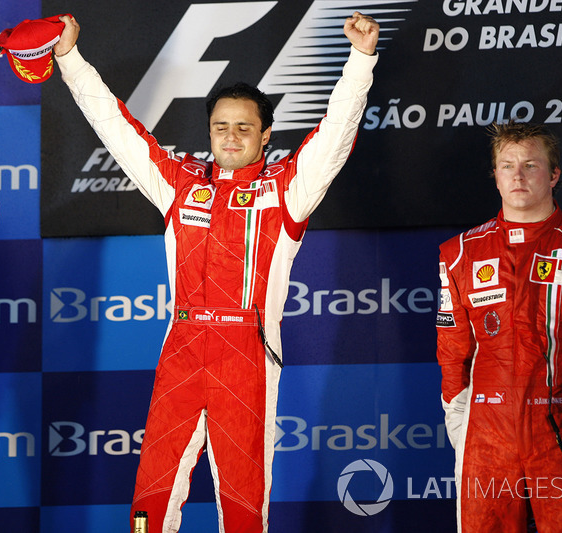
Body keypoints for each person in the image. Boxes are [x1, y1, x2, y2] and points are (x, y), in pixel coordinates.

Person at [53, 11, 379, 533]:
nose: (231, 136)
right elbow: (118, 130)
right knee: (152, 493)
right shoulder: (180, 183)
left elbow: (336, 134)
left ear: (265, 134)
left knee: (244, 502)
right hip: (181, 343)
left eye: (244, 127)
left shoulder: (287, 189)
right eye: (220, 126)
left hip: (245, 351)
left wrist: (360, 62)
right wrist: (69, 59)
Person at [437, 121, 562, 532]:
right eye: (507, 165)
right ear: (495, 176)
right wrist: (460, 420)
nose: (518, 176)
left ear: (554, 175)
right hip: (485, 438)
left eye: (530, 165)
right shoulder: (460, 252)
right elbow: (452, 350)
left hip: (558, 431)